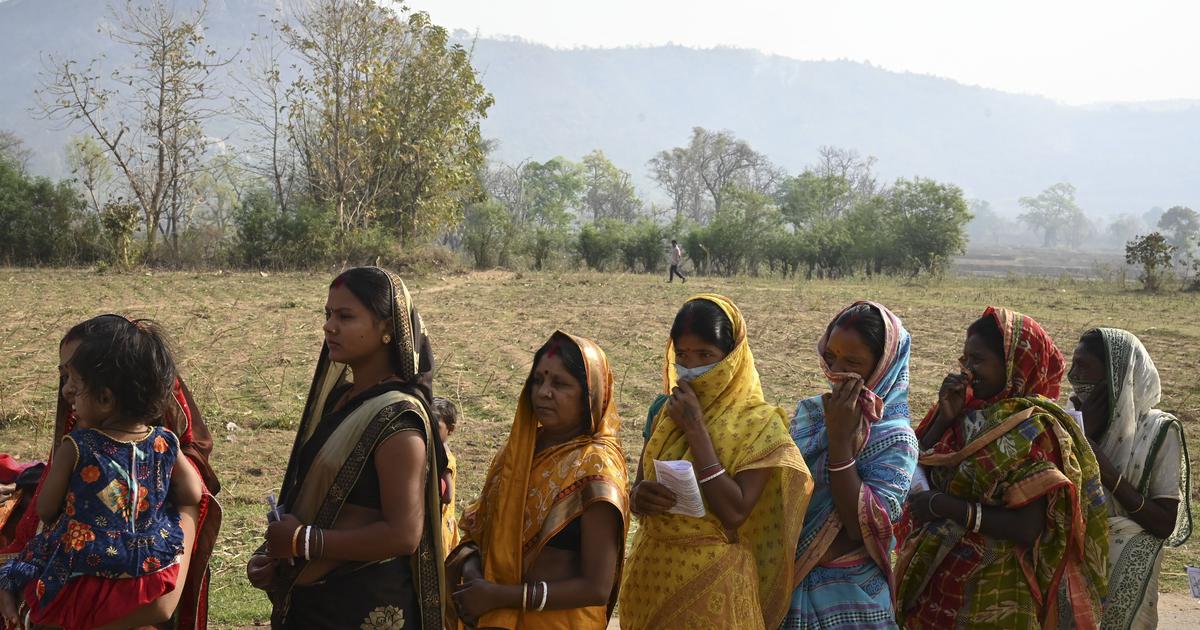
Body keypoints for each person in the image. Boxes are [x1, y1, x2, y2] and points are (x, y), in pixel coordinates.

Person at [247, 267, 448, 629]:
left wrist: (301, 541)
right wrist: (275, 556)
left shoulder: (399, 420)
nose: (329, 326)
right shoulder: (342, 400)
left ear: (387, 328)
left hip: (363, 604)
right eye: (327, 315)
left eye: (345, 316)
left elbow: (403, 534)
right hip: (316, 601)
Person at [0, 315, 221, 630]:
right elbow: (193, 493)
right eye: (64, 377)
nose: (67, 392)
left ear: (105, 396)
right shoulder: (165, 444)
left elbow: (45, 511)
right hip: (151, 574)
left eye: (75, 379)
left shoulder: (77, 447)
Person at [895, 307, 1108, 629]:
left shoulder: (1034, 428)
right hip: (938, 581)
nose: (967, 371)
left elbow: (1027, 526)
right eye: (965, 361)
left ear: (1014, 365)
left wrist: (946, 506)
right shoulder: (966, 414)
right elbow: (911, 464)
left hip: (997, 589)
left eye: (978, 361)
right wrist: (943, 419)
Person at [620, 295, 812, 630]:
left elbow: (735, 511)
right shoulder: (663, 410)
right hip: (650, 577)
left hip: (713, 585)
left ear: (732, 357)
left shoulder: (761, 424)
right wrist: (640, 498)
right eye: (682, 355)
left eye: (705, 356)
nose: (691, 368)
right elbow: (638, 489)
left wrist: (696, 430)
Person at [448, 331, 629, 629]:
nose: (544, 392)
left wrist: (502, 596)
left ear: (590, 395)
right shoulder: (517, 452)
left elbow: (597, 587)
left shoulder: (596, 466)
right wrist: (476, 578)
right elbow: (479, 532)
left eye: (560, 384)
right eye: (538, 381)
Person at [785, 302, 918, 629]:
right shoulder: (813, 413)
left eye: (853, 362)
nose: (836, 370)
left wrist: (841, 441)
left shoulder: (896, 439)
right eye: (831, 357)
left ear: (883, 365)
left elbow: (864, 528)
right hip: (789, 583)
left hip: (848, 598)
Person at [1068, 328, 1191, 629]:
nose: (1074, 375)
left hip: (1127, 574)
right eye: (1073, 364)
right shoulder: (1069, 421)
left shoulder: (1159, 431)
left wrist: (1109, 475)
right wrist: (1082, 436)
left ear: (1115, 376)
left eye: (1084, 367)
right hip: (1072, 571)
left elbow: (1163, 523)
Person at [432, 397, 462, 558]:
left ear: (450, 430)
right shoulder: (439, 451)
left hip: (440, 525)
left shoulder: (444, 458)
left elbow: (447, 495)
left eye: (436, 426)